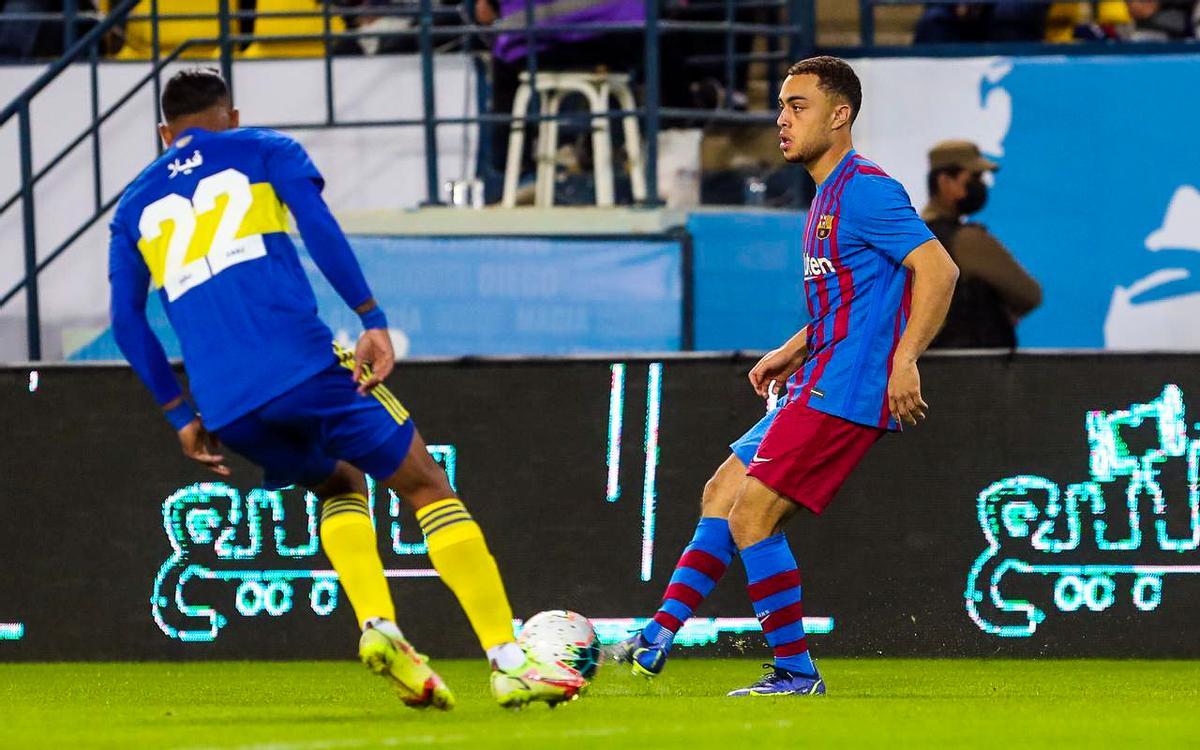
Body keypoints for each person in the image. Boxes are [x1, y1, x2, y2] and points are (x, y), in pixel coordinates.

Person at [107, 68, 584, 711]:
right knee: (424, 485)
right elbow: (320, 229)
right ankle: (507, 658)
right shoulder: (263, 149)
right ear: (230, 113)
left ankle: (380, 628)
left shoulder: (133, 205)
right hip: (302, 367)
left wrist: (179, 412)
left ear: (164, 133)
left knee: (337, 481)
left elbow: (126, 322)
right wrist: (370, 317)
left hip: (227, 406)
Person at [611, 56, 960, 696]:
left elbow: (938, 270)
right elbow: (857, 296)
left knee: (752, 518)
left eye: (797, 106)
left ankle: (796, 673)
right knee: (722, 492)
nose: (781, 120)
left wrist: (906, 358)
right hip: (819, 372)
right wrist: (796, 346)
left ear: (840, 114)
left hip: (848, 385)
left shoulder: (867, 190)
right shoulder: (828, 193)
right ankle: (658, 635)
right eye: (781, 106)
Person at [922, 140, 1042, 349]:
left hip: (930, 370)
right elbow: (1029, 294)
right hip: (975, 372)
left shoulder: (916, 237)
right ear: (945, 182)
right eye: (974, 178)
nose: (981, 186)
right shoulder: (966, 240)